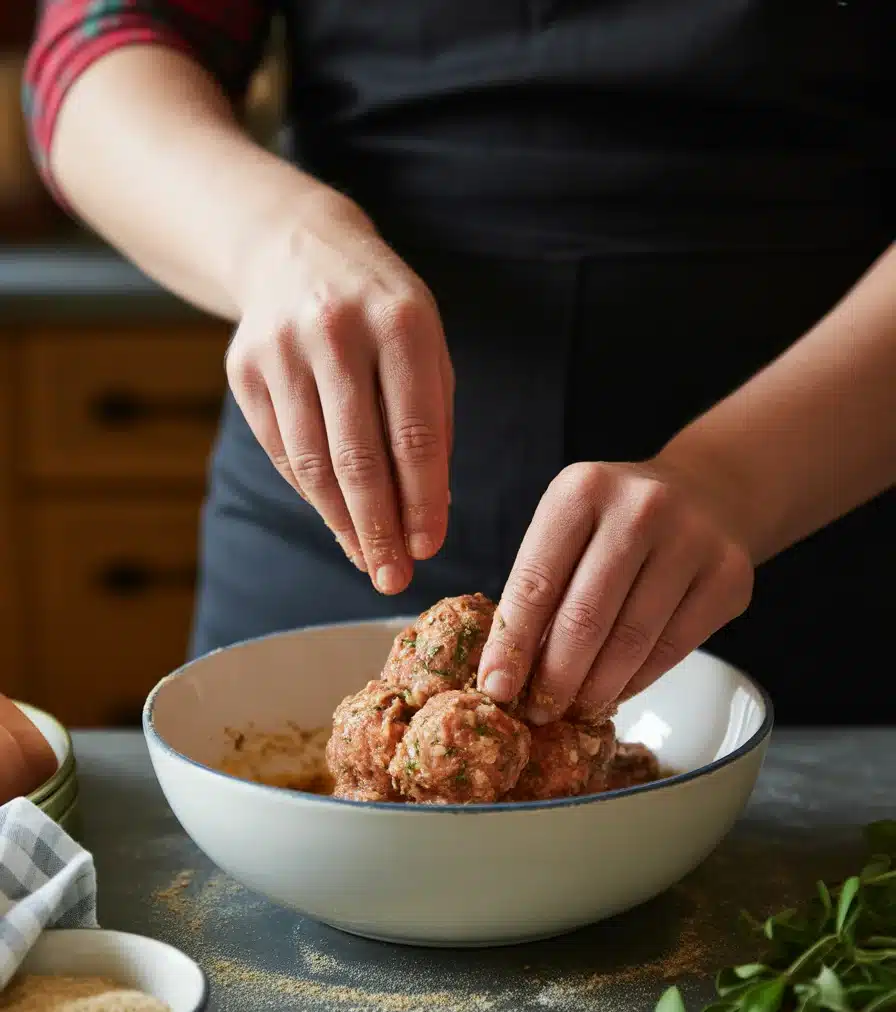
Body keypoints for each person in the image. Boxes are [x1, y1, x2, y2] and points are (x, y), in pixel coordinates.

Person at [25, 2, 894, 726]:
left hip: (819, 510)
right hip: (333, 518)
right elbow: (98, 46)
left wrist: (740, 480)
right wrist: (276, 240)